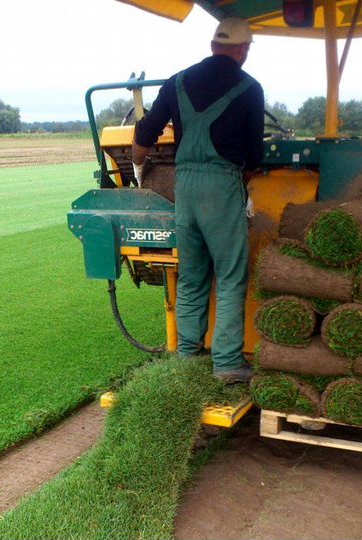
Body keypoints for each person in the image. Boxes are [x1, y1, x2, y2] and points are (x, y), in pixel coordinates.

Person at [131, 18, 265, 383]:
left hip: (184, 185)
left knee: (190, 277)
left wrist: (137, 164)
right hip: (222, 185)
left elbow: (147, 130)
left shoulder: (176, 82)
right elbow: (255, 155)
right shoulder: (250, 88)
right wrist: (242, 184)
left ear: (212, 46)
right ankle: (226, 364)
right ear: (242, 49)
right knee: (231, 275)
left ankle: (187, 360)